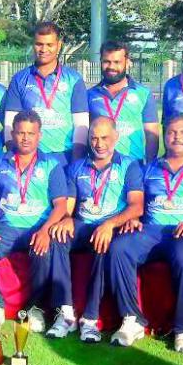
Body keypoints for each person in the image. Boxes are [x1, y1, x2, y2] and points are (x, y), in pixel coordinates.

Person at [106, 114, 183, 351]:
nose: (176, 137)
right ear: (165, 135)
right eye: (172, 132)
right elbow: (135, 200)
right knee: (119, 248)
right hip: (151, 229)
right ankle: (131, 319)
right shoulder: (149, 167)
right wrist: (134, 217)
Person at [0, 110, 69, 333]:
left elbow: (61, 204)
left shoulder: (52, 164)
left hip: (38, 226)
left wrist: (45, 230)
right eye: (21, 133)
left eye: (31, 133)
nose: (25, 138)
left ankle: (36, 308)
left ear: (39, 135)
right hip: (6, 226)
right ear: (12, 134)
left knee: (45, 249)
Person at [49, 116, 144, 341]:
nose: (99, 144)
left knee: (103, 241)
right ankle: (65, 313)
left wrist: (110, 224)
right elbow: (69, 205)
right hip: (83, 223)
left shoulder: (129, 165)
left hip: (111, 225)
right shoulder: (76, 167)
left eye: (104, 138)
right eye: (94, 138)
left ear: (115, 137)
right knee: (57, 238)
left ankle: (90, 319)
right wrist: (65, 218)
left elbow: (137, 206)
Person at [3, 22, 89, 162]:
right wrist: (16, 157)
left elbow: (81, 124)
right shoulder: (19, 79)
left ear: (58, 45)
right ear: (33, 44)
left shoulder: (74, 79)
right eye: (39, 44)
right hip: (30, 158)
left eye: (49, 45)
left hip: (64, 158)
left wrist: (76, 161)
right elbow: (10, 123)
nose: (44, 49)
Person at [87, 41, 159, 163]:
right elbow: (86, 134)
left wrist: (150, 167)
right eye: (106, 62)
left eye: (117, 62)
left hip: (134, 165)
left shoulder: (143, 93)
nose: (111, 67)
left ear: (128, 62)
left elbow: (151, 134)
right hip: (101, 167)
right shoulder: (89, 95)